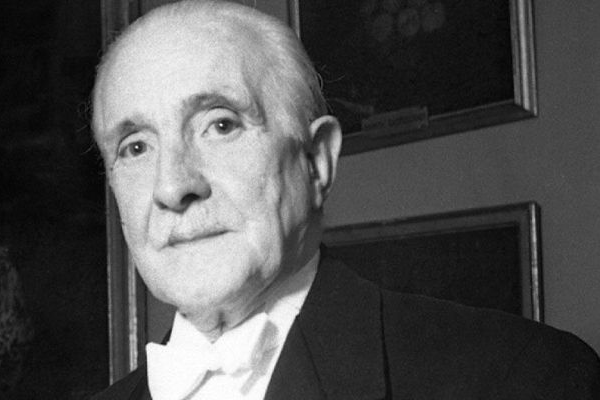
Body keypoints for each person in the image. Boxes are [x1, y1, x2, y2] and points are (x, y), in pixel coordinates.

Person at [90, 1, 600, 399]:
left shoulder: (526, 378)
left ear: (317, 162)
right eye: (135, 147)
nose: (172, 186)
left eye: (221, 125)